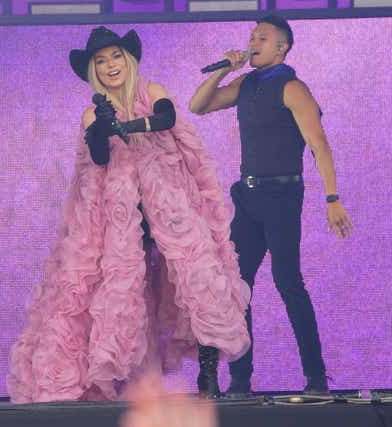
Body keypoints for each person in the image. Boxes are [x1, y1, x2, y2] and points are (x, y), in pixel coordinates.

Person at [8, 26, 250, 402]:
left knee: (199, 280)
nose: (110, 65)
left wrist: (127, 126)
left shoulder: (152, 91)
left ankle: (208, 377)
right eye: (101, 61)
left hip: (169, 205)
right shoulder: (92, 112)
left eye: (115, 56)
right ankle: (124, 381)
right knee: (121, 292)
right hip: (121, 217)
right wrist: (103, 131)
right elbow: (101, 158)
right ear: (94, 71)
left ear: (129, 60)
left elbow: (167, 117)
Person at [189, 15, 353, 398]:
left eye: (262, 37)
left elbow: (320, 145)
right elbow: (199, 105)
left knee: (287, 281)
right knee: (238, 286)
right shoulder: (246, 83)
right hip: (247, 197)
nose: (253, 41)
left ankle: (315, 378)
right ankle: (240, 380)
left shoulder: (293, 87)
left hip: (282, 196)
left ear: (281, 47)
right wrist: (225, 71)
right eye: (251, 36)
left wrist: (332, 198)